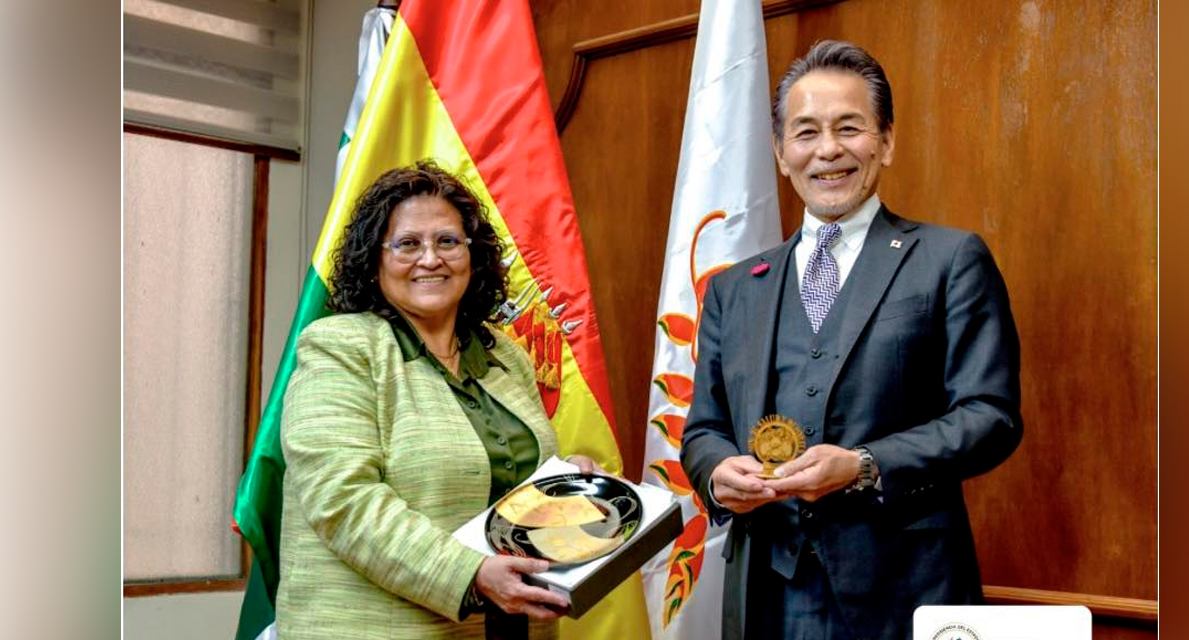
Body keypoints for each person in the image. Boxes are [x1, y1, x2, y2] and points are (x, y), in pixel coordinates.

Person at [680, 40, 1023, 640]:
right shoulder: (735, 289)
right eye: (806, 132)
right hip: (767, 591)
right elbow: (704, 429)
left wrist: (864, 465)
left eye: (849, 128)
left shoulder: (948, 260)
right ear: (781, 154)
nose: (828, 150)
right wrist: (716, 475)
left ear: (886, 142)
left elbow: (991, 416)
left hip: (906, 590)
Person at [275, 161, 603, 640]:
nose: (430, 258)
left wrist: (563, 481)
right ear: (374, 260)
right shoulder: (338, 347)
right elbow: (343, 500)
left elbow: (510, 487)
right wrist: (470, 574)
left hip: (509, 627)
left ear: (473, 256)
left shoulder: (505, 356)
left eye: (448, 241)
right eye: (408, 244)